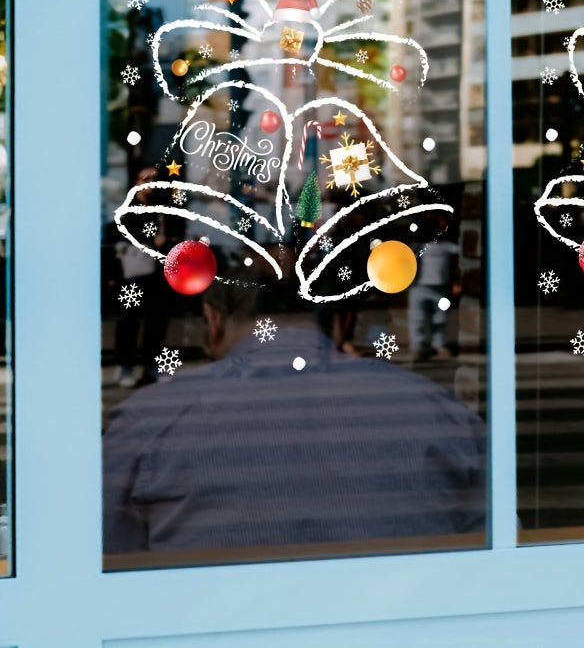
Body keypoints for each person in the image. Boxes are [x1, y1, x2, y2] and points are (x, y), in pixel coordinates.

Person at [102, 272, 485, 555]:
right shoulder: (437, 409)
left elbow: (105, 569)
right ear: (343, 321)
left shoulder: (148, 420)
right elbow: (492, 551)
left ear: (213, 319)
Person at [110, 165, 182, 387]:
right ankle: (125, 365)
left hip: (157, 273)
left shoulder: (162, 208)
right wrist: (152, 239)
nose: (150, 185)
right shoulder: (128, 209)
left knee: (156, 321)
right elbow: (120, 237)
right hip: (133, 273)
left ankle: (151, 366)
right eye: (145, 179)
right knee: (129, 321)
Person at [408, 231, 461, 362]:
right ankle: (418, 347)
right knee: (418, 319)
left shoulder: (449, 247)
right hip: (419, 287)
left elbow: (460, 261)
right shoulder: (418, 247)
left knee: (440, 319)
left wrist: (457, 281)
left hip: (441, 288)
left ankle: (439, 344)